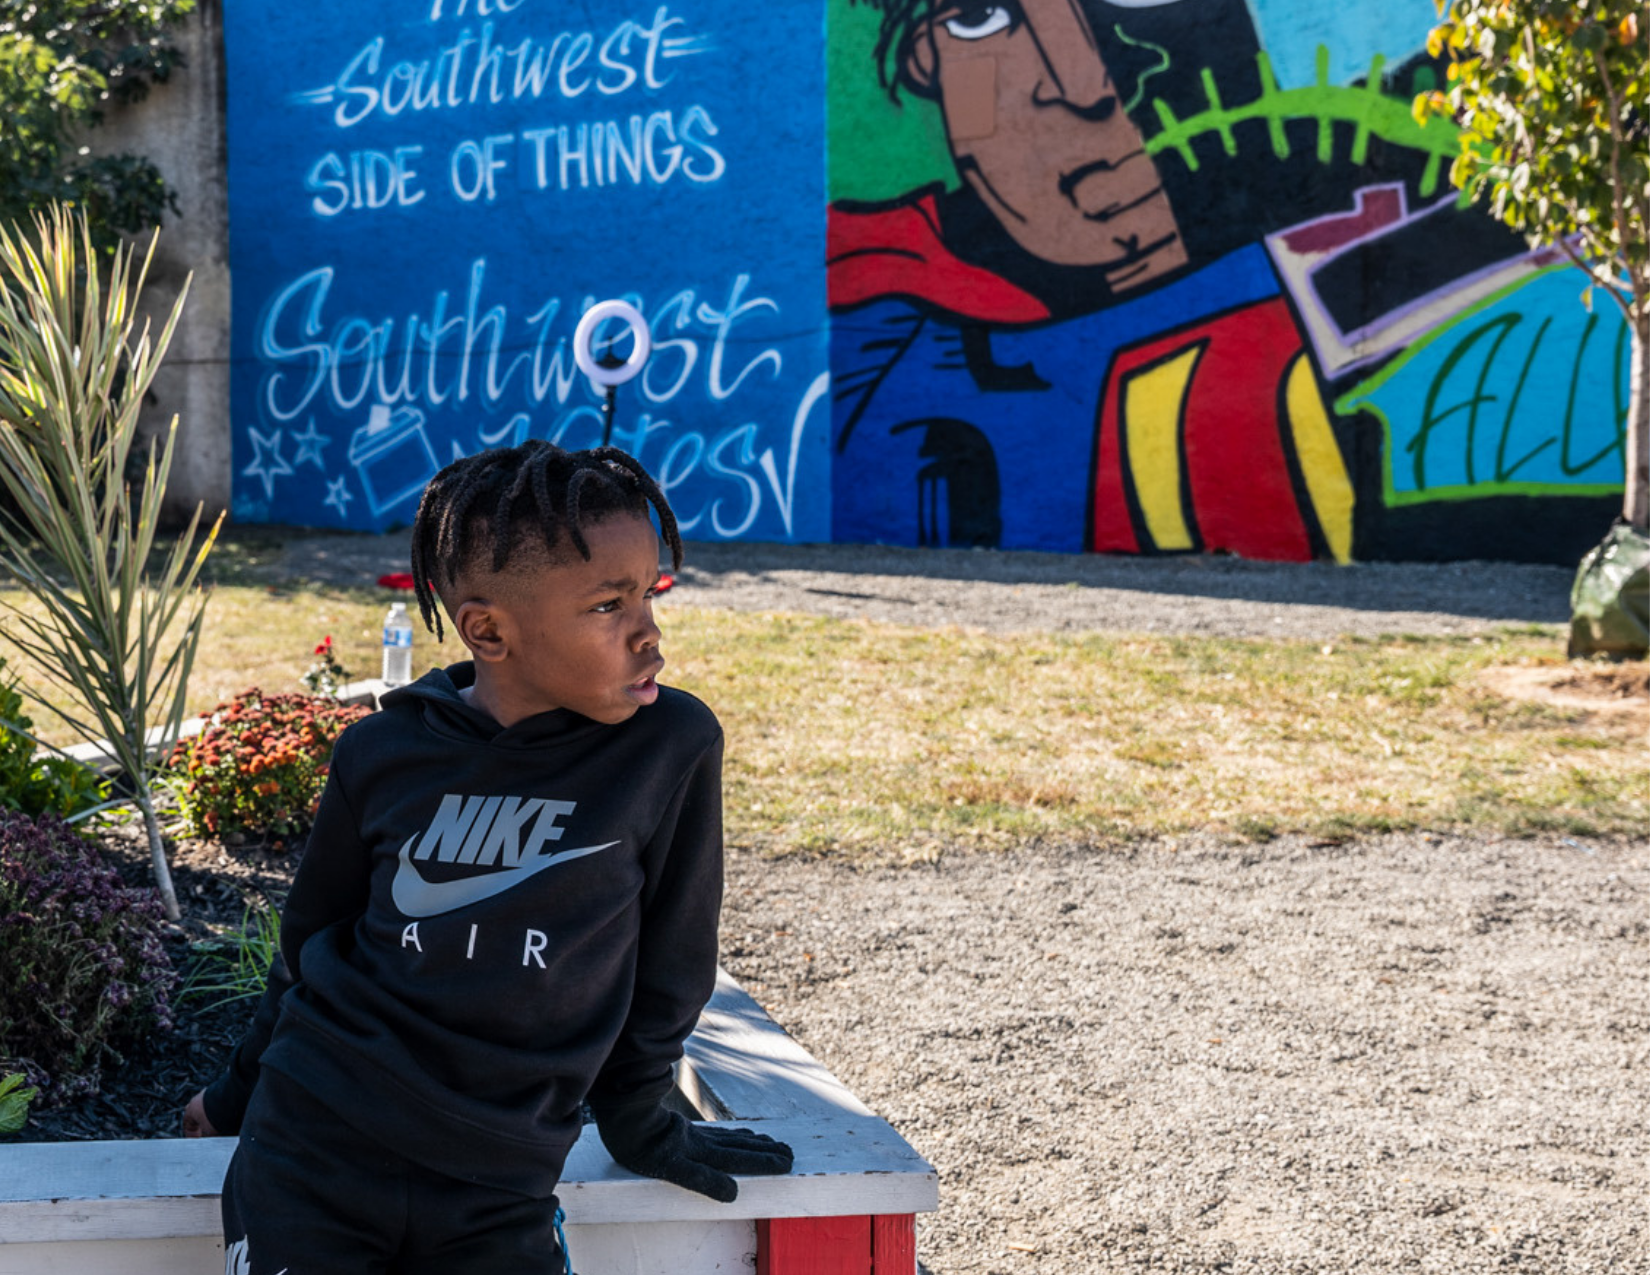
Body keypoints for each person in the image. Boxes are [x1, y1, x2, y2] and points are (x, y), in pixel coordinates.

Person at [183, 442, 793, 1274]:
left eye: (650, 593)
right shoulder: (383, 750)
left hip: (500, 1180)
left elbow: (672, 959)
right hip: (313, 1142)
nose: (649, 634)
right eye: (609, 606)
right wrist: (232, 1096)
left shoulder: (669, 746)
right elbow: (310, 942)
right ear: (488, 629)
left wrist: (641, 1117)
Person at [829, 0, 1365, 561]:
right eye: (981, 16)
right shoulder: (882, 330)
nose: (1082, 87)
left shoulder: (1325, 274)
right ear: (925, 63)